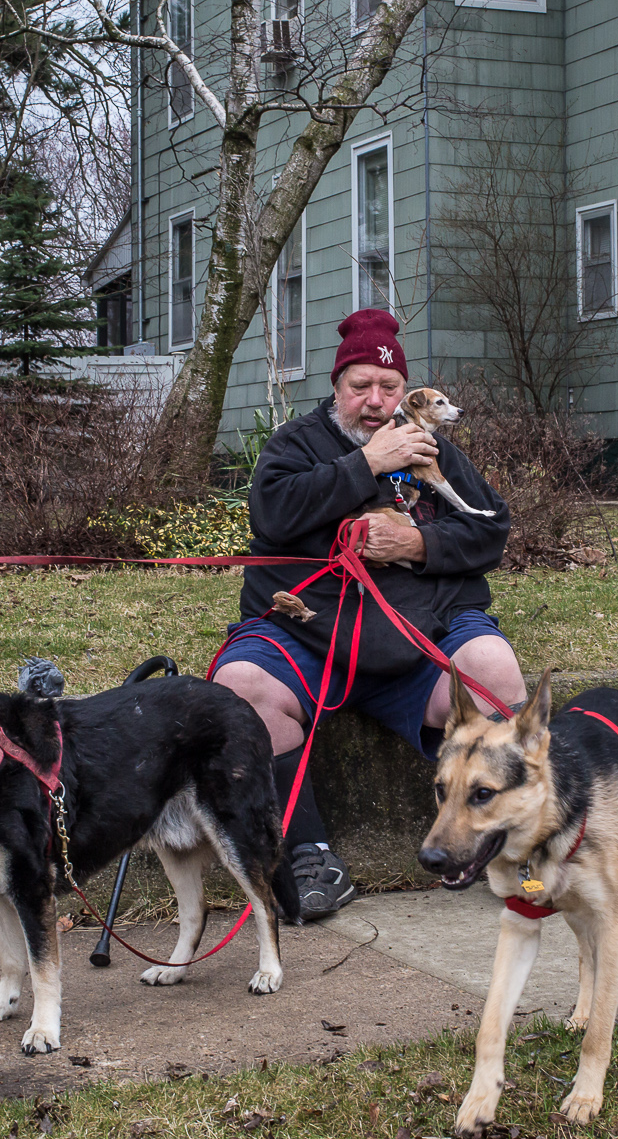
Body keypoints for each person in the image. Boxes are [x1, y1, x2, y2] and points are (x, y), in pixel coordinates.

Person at [212, 309, 530, 919]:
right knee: (240, 687)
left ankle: (489, 836)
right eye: (361, 387)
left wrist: (417, 545)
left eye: (389, 388)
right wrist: (369, 464)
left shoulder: (432, 448)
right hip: (304, 637)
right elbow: (272, 518)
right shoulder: (295, 446)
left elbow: (491, 531)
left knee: (491, 666)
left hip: (420, 635)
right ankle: (307, 855)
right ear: (337, 388)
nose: (376, 402)